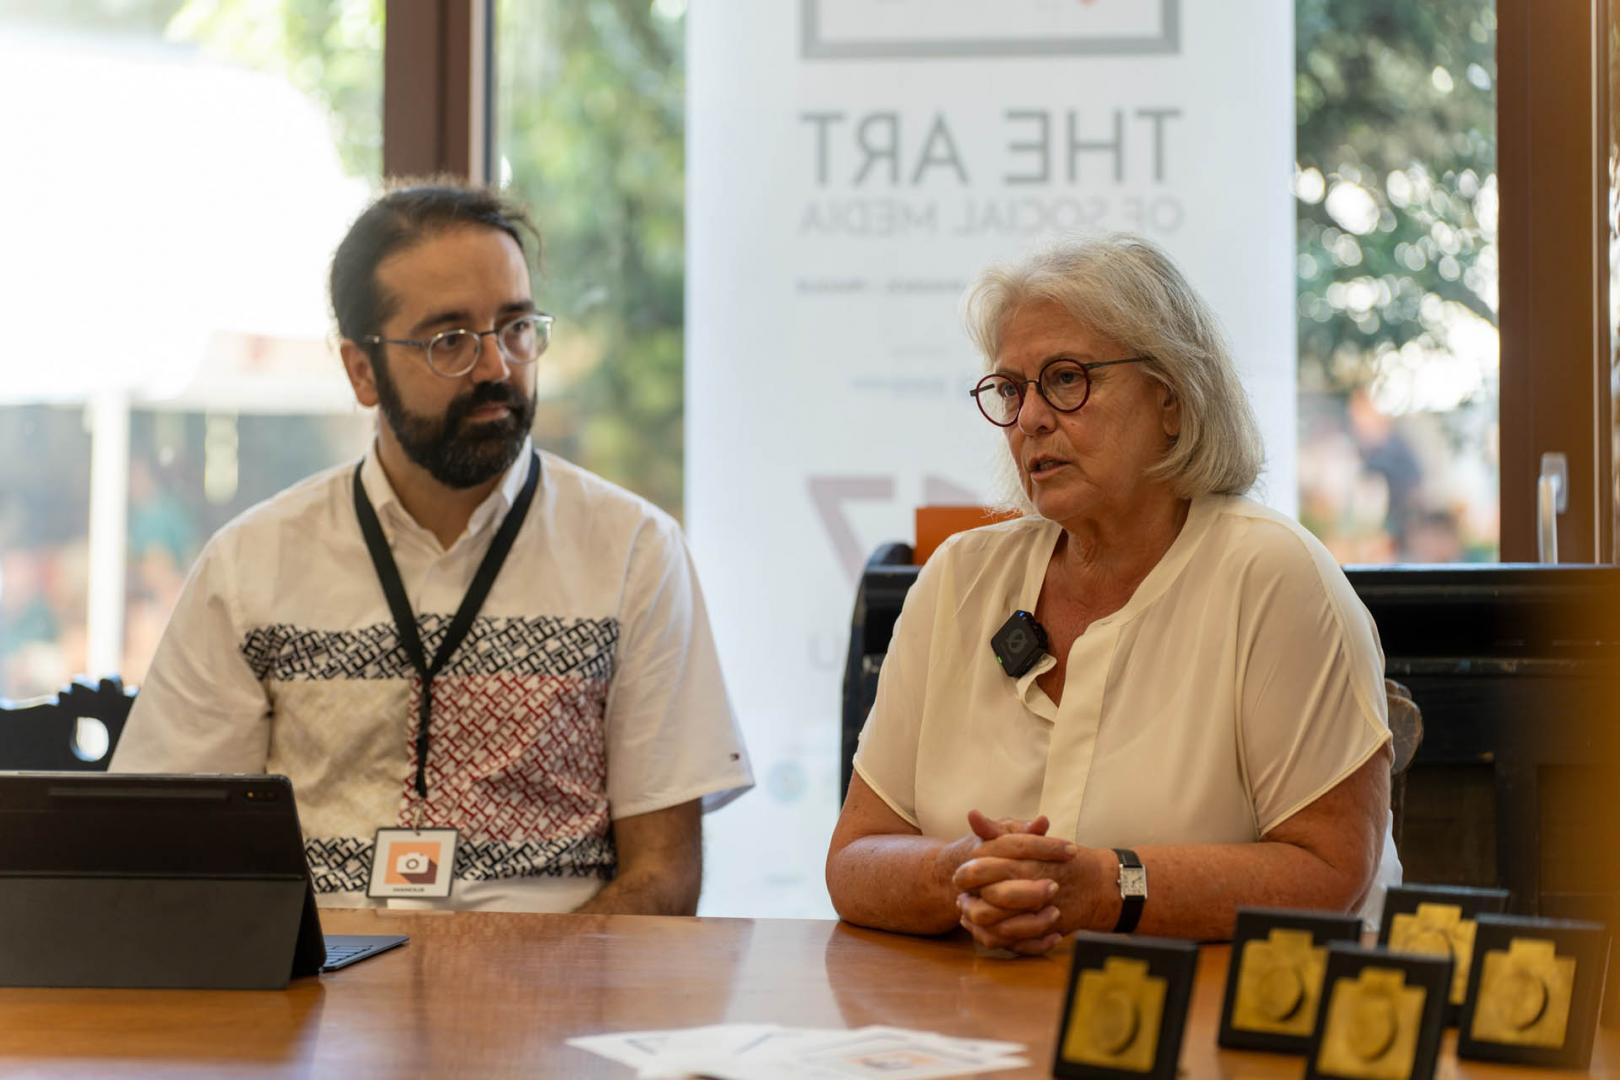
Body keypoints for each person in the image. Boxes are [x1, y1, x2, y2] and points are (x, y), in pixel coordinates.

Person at [112, 181, 752, 914]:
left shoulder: (633, 551)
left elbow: (663, 877)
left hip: (555, 976)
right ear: (362, 371)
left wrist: (537, 982)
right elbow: (170, 842)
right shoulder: (250, 565)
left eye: (515, 328)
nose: (496, 368)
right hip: (321, 977)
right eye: (450, 341)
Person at [826, 234, 1399, 953]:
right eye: (1012, 390)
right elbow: (854, 859)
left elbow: (1330, 873)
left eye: (1066, 379)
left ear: (1172, 398)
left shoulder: (1275, 576)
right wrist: (961, 873)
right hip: (979, 1010)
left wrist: (1106, 888)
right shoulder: (958, 578)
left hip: (1218, 1017)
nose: (1030, 418)